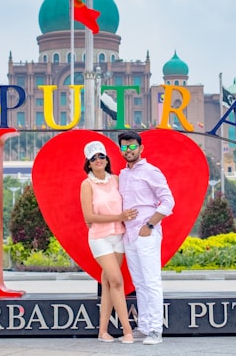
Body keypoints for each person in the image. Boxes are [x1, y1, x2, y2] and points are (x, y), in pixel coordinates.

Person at [118, 132, 174, 345]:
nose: (128, 150)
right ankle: (144, 325)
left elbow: (168, 201)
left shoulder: (151, 172)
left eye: (132, 146)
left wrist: (150, 224)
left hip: (146, 233)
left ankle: (155, 330)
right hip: (129, 234)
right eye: (124, 147)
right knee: (139, 283)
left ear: (141, 148)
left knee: (151, 282)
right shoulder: (122, 175)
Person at [80, 141, 137, 344]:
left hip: (118, 236)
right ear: (88, 163)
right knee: (117, 281)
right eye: (93, 158)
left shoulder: (115, 179)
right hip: (100, 238)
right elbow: (89, 216)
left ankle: (102, 331)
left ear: (107, 159)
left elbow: (128, 202)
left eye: (101, 156)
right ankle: (128, 329)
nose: (98, 161)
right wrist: (119, 216)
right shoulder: (87, 185)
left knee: (107, 283)